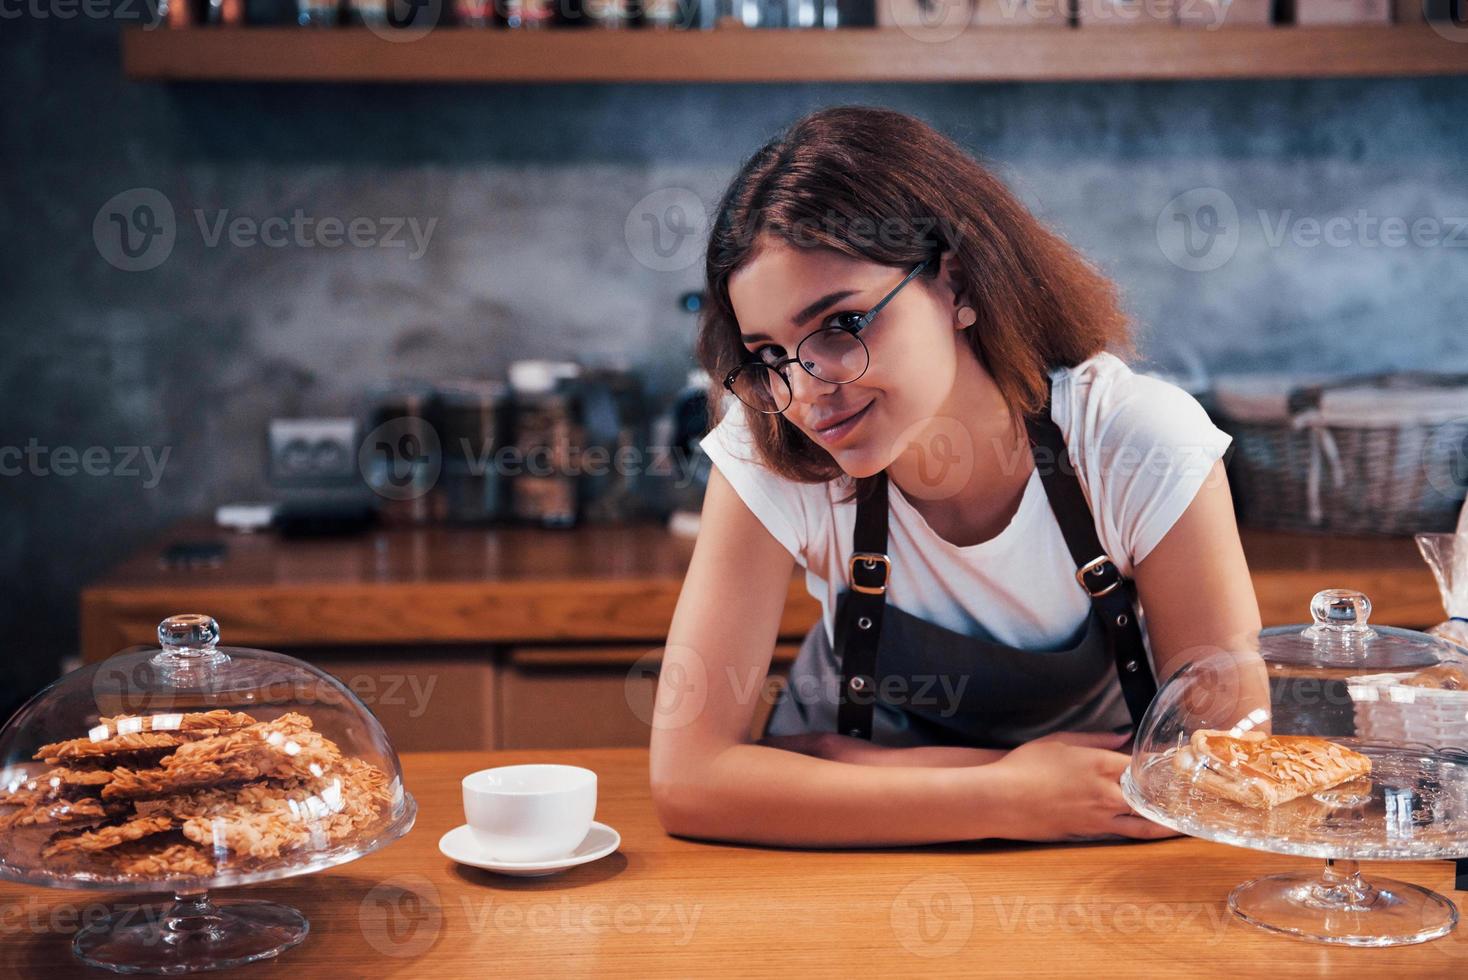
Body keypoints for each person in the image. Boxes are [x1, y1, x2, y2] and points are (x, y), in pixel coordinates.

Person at [649, 105, 1262, 848]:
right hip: (842, 870)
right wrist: (1010, 794)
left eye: (841, 326)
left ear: (957, 281)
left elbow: (1229, 770)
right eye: (771, 355)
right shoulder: (770, 442)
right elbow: (690, 781)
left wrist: (856, 770)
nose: (807, 391)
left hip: (1088, 865)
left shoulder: (1134, 440)